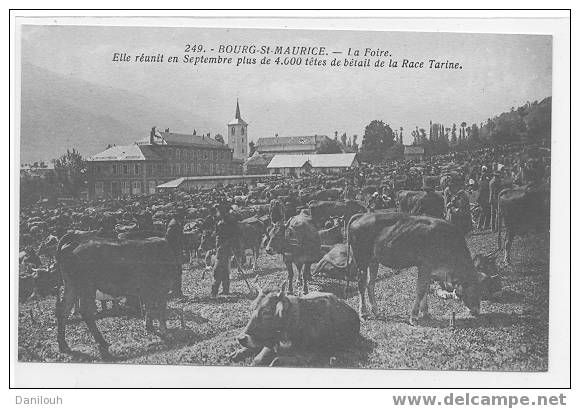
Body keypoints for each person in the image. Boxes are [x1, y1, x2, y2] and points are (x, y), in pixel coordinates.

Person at [211, 204, 241, 298]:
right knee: (224, 270)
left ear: (222, 212)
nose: (216, 213)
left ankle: (214, 293)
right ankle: (225, 290)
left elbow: (221, 237)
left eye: (218, 211)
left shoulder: (222, 224)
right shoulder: (229, 222)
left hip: (222, 250)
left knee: (217, 270)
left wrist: (223, 245)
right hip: (226, 250)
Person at [165, 212, 185, 298]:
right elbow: (169, 238)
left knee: (176, 270)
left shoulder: (174, 224)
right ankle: (176, 291)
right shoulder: (174, 225)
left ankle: (176, 291)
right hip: (174, 251)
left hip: (175, 251)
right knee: (176, 271)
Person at [477, 166, 492, 230]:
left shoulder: (483, 179)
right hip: (484, 198)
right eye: (484, 171)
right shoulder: (483, 180)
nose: (484, 173)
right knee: (484, 212)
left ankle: (484, 225)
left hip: (485, 198)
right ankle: (480, 225)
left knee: (487, 212)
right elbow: (481, 190)